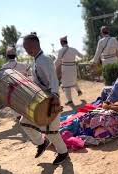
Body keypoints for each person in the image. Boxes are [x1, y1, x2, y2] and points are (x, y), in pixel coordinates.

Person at [22, 33, 69, 165]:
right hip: (42, 100)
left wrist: (54, 95)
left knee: (52, 131)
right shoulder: (36, 61)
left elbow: (53, 79)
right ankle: (41, 142)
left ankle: (63, 152)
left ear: (33, 45)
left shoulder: (45, 59)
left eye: (26, 47)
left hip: (51, 100)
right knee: (24, 121)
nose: (26, 50)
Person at [2, 46, 30, 120]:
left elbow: (4, 80)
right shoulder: (23, 65)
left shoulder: (4, 67)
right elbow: (28, 75)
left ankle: (19, 116)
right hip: (24, 88)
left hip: (12, 90)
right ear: (15, 55)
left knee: (15, 104)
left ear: (7, 56)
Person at [55, 36, 83, 105]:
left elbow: (58, 61)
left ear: (61, 42)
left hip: (65, 68)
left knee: (66, 84)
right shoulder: (73, 49)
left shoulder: (61, 50)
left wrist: (53, 67)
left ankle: (70, 100)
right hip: (73, 67)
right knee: (73, 80)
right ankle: (79, 91)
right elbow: (81, 56)